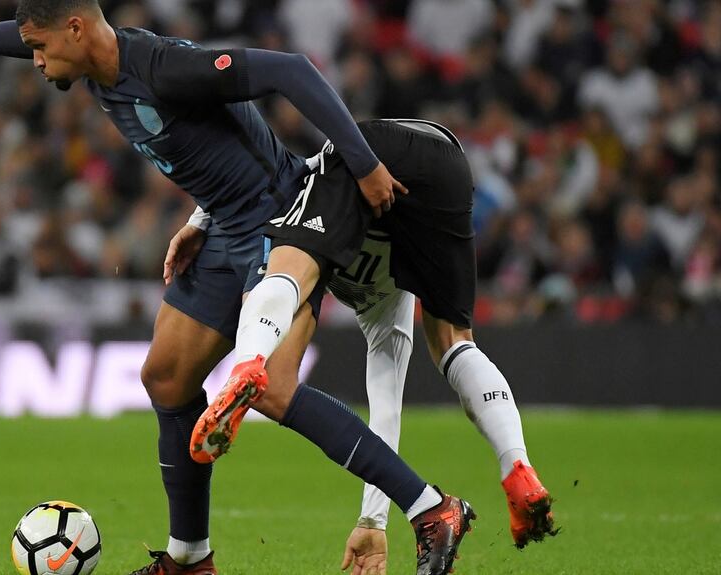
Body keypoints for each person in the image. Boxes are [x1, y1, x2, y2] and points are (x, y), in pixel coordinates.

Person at [0, 3, 475, 574]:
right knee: (165, 376)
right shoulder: (89, 63)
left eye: (40, 48)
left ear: (77, 31)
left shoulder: (166, 68)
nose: (33, 60)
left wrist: (364, 164)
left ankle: (431, 509)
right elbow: (25, 30)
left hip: (281, 223)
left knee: (272, 387)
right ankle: (189, 556)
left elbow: (290, 71)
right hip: (223, 227)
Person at [190, 119, 556, 574]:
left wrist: (199, 217)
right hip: (448, 167)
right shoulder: (392, 305)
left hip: (368, 146)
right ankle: (517, 464)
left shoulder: (326, 239)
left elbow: (276, 171)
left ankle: (248, 363)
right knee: (454, 344)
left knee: (290, 270)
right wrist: (372, 521)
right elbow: (385, 412)